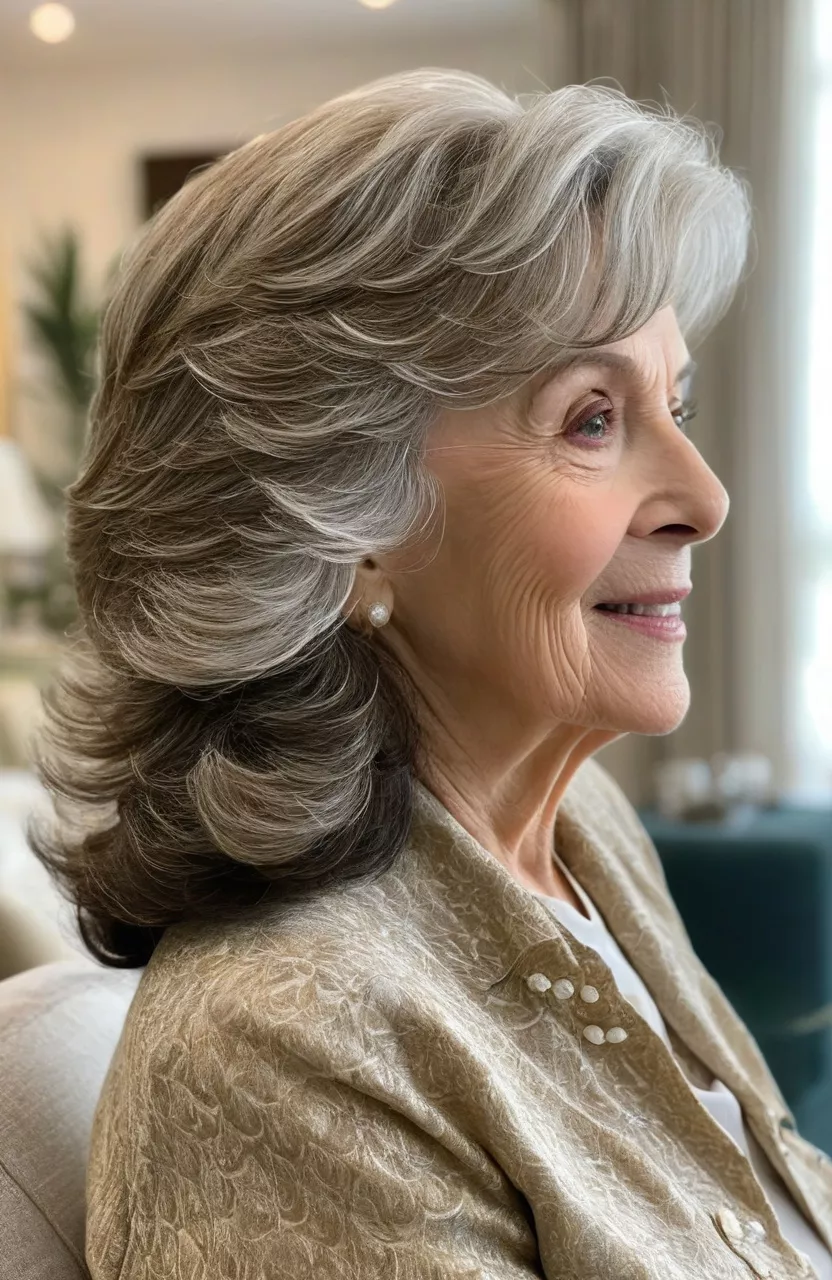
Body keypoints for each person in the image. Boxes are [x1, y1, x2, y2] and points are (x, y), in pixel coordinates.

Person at [31, 69, 832, 1279]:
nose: (703, 499)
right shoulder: (284, 1055)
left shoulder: (582, 836)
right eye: (589, 418)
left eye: (672, 400)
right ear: (340, 515)